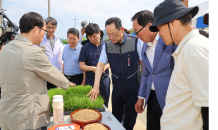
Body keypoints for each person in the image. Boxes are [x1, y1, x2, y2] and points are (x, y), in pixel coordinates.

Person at [0, 12, 75, 130]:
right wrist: (69, 84)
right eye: (44, 30)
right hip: (27, 119)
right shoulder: (33, 52)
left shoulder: (6, 48)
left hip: (7, 117)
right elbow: (52, 73)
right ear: (36, 29)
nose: (44, 34)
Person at [150, 0, 209, 130]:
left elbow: (207, 106)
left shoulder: (193, 49)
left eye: (160, 28)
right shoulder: (188, 47)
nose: (159, 35)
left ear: (173, 23)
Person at [87, 17, 143, 130]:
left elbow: (144, 66)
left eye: (113, 34)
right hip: (117, 90)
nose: (111, 37)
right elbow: (100, 65)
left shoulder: (135, 42)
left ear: (121, 29)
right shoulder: (107, 46)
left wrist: (142, 94)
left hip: (133, 90)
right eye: (108, 34)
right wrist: (96, 86)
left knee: (129, 122)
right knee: (115, 120)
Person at [132, 10, 177, 130]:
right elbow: (146, 73)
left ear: (148, 26)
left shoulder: (169, 41)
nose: (137, 35)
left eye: (137, 31)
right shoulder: (144, 46)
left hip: (170, 99)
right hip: (151, 97)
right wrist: (141, 97)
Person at [79, 23, 111, 107]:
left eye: (94, 36)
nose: (92, 39)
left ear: (99, 33)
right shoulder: (85, 47)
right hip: (90, 80)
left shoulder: (107, 45)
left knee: (104, 104)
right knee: (91, 104)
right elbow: (81, 65)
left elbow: (112, 61)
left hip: (104, 81)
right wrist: (93, 68)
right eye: (89, 37)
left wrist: (106, 66)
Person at [39, 17, 64, 90]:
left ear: (56, 27)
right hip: (44, 73)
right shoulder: (40, 39)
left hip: (55, 73)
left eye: (53, 27)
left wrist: (60, 71)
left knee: (54, 93)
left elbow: (60, 57)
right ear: (45, 27)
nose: (50, 30)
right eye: (48, 27)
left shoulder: (57, 40)